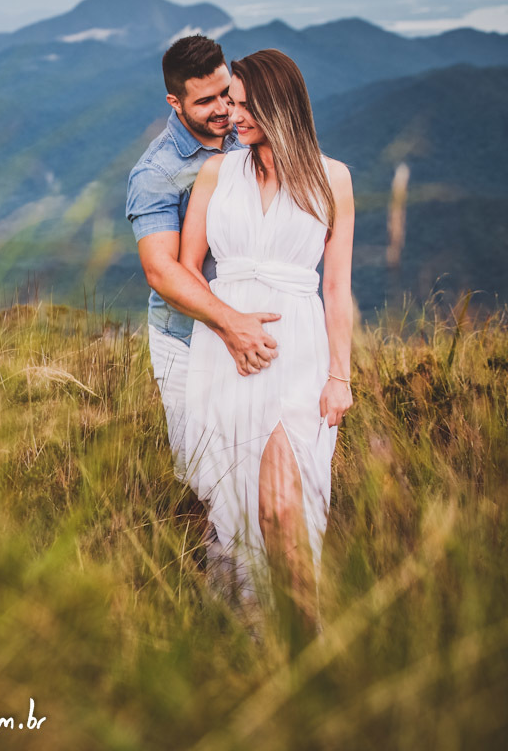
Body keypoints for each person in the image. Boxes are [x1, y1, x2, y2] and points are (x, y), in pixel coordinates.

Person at [178, 48, 354, 645]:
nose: (233, 115)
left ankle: (306, 641)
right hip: (225, 351)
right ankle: (257, 639)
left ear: (282, 105)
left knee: (283, 507)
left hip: (297, 352)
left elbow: (337, 287)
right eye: (231, 102)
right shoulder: (216, 173)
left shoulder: (333, 178)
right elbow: (188, 271)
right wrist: (228, 326)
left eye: (246, 105)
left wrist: (340, 376)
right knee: (237, 504)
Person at [125, 35, 284, 605]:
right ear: (175, 103)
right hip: (187, 341)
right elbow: (162, 271)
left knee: (259, 464)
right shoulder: (157, 172)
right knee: (207, 475)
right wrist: (229, 322)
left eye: (227, 93)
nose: (224, 110)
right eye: (206, 101)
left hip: (252, 334)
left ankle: (256, 596)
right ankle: (223, 604)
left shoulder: (248, 131)